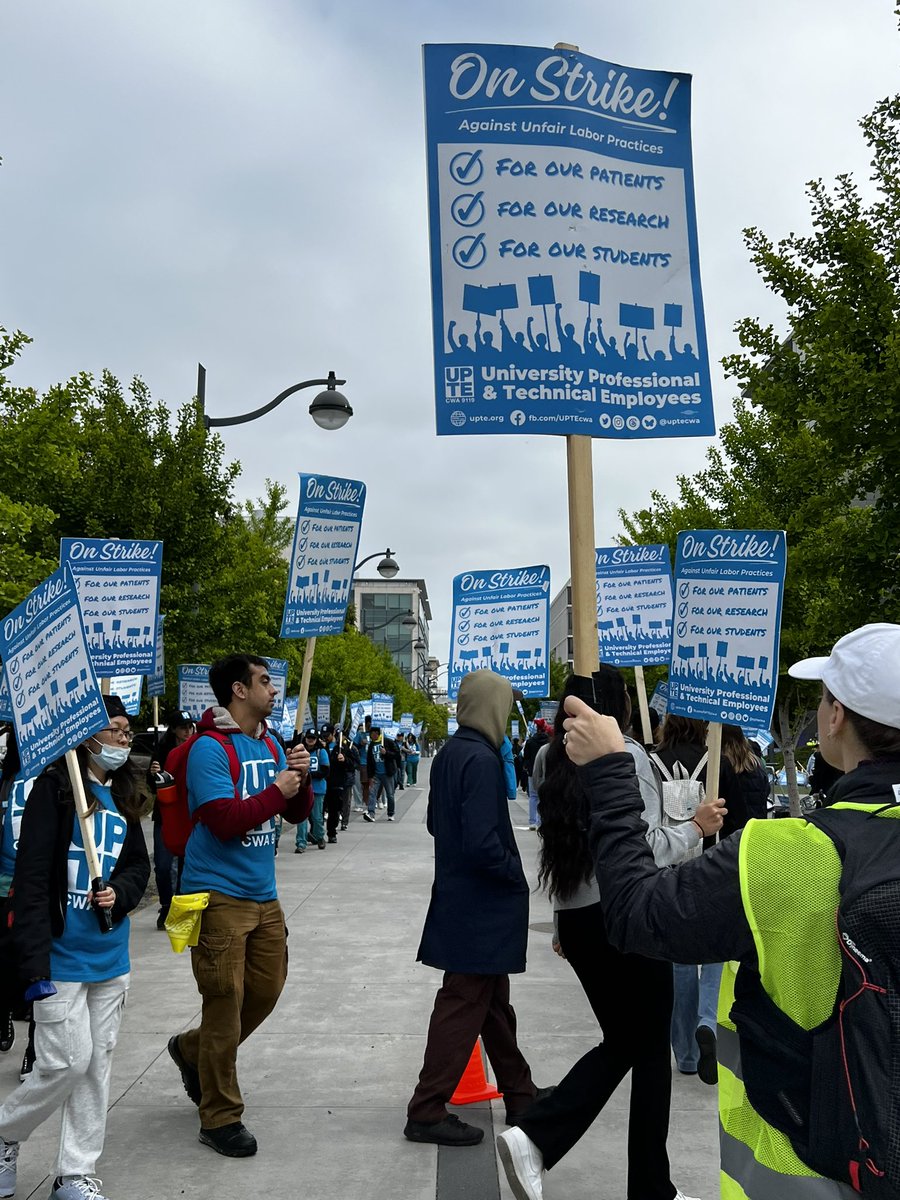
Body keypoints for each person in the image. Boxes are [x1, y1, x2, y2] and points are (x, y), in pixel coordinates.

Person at [558, 623, 900, 1200]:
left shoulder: (788, 854)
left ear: (836, 716)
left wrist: (612, 771)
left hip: (807, 1172)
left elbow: (636, 913)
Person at [497, 670, 718, 1200]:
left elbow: (559, 848)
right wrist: (695, 829)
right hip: (628, 915)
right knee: (640, 1044)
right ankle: (541, 1137)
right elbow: (638, 848)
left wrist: (560, 920)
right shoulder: (626, 754)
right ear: (621, 707)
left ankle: (645, 1183)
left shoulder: (549, 757)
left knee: (635, 1044)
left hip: (579, 919)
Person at [0, 696, 150, 1200]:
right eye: (114, 729)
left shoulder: (124, 794)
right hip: (61, 959)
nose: (124, 738)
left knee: (96, 1068)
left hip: (110, 958)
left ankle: (74, 1174)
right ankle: (5, 1134)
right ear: (86, 735)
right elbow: (31, 880)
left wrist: (120, 894)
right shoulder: (54, 790)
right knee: (66, 1063)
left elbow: (137, 867)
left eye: (127, 730)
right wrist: (32, 964)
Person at [167, 654, 312, 1158]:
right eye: (264, 681)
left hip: (264, 895)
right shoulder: (210, 748)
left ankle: (192, 1049)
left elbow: (295, 812)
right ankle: (220, 1116)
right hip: (217, 897)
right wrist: (276, 789)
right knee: (224, 1003)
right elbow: (224, 820)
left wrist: (298, 777)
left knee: (265, 991)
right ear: (239, 690)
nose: (274, 689)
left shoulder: (270, 742)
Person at [405, 670, 545, 1148]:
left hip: (460, 897)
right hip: (482, 904)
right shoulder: (482, 759)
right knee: (464, 1003)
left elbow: (435, 824)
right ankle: (426, 1109)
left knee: (491, 1003)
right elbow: (484, 842)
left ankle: (521, 1093)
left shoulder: (451, 753)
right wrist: (513, 875)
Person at [650, 714, 743, 1082]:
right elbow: (739, 822)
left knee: (680, 962)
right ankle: (709, 1019)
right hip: (714, 869)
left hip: (668, 871)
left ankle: (686, 1055)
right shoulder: (718, 764)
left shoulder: (651, 762)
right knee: (716, 953)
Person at [148, 709, 195, 928]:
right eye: (183, 727)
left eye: (190, 727)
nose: (188, 731)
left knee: (186, 864)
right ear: (174, 729)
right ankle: (166, 905)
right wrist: (154, 775)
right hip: (165, 816)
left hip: (187, 815)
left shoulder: (197, 748)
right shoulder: (162, 751)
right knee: (163, 865)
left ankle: (180, 906)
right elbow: (151, 787)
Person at [294, 727, 328, 851]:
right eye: (309, 737)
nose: (310, 740)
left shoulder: (321, 752)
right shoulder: (299, 751)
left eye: (313, 738)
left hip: (317, 789)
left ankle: (320, 837)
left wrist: (308, 775)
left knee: (317, 817)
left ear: (316, 739)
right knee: (302, 817)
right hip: (302, 789)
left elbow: (325, 771)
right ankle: (301, 843)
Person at [523, 720, 550, 829]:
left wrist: (527, 767)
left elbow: (526, 757)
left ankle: (532, 821)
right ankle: (540, 821)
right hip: (546, 772)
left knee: (533, 796)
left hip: (532, 772)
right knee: (543, 797)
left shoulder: (530, 742)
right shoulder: (548, 742)